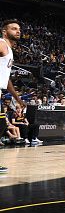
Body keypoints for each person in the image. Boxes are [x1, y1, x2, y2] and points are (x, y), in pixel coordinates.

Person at [0, 20, 27, 172]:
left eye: (19, 29)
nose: (18, 31)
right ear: (5, 31)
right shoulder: (2, 43)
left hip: (0, 90)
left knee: (1, 125)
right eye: (14, 28)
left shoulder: (9, 50)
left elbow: (7, 79)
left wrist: (18, 99)